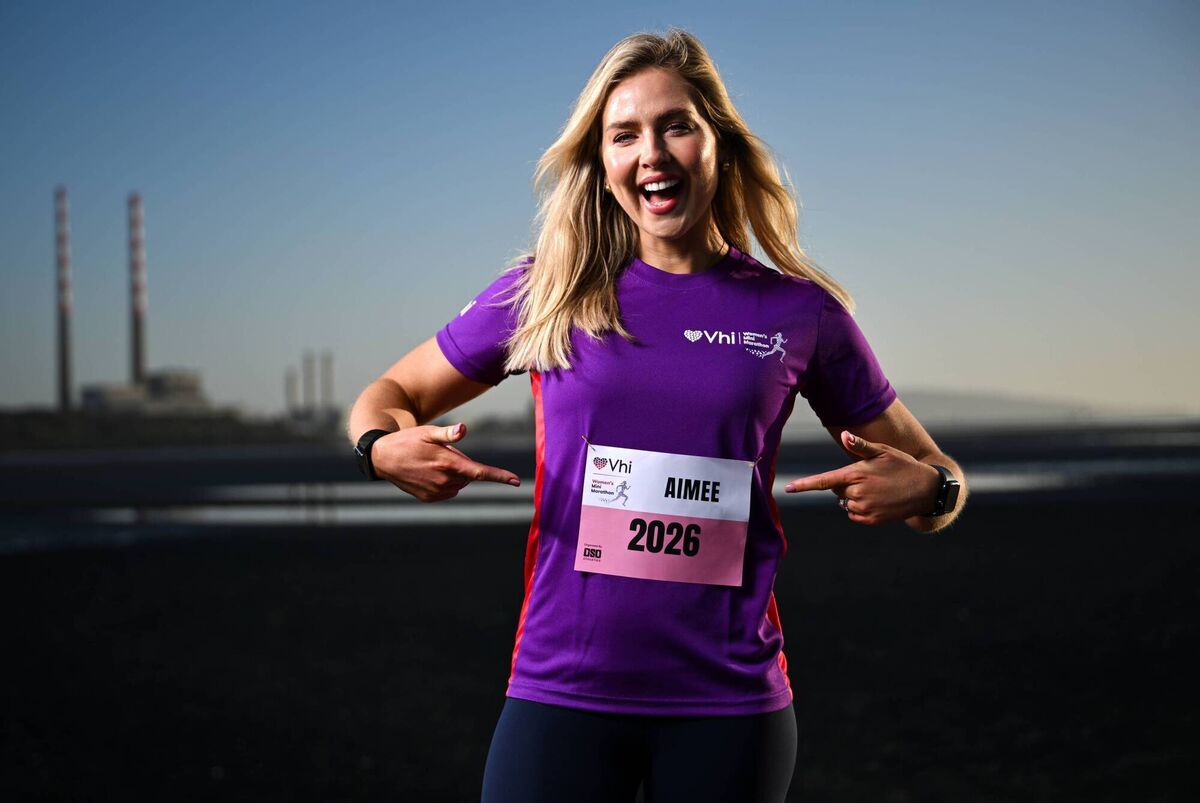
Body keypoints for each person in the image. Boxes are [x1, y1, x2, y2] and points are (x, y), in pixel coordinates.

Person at [347, 27, 967, 803]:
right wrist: (380, 450)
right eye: (625, 135)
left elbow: (940, 482)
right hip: (560, 692)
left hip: (730, 706)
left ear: (719, 144)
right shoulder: (547, 293)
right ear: (602, 162)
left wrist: (932, 493)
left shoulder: (799, 313)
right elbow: (383, 397)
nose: (653, 154)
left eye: (676, 125)